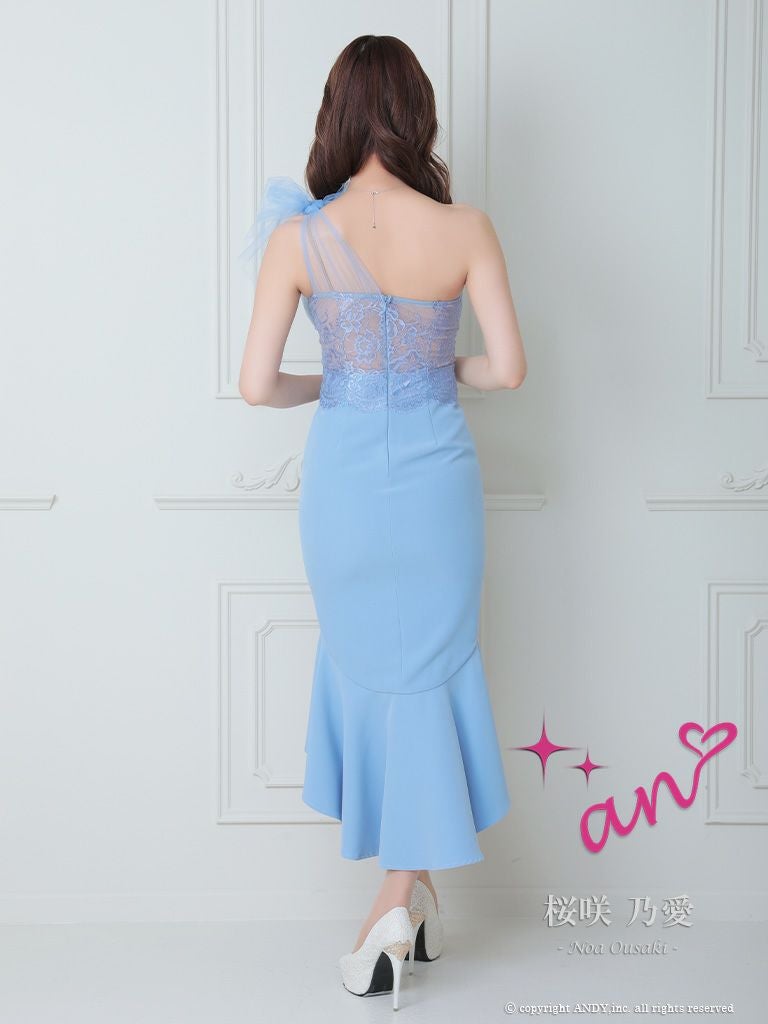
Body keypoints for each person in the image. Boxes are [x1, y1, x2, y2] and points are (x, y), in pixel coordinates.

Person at [238, 34, 526, 1010]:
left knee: (381, 673)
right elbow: (507, 370)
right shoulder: (465, 227)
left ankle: (394, 904)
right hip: (440, 488)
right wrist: (436, 368)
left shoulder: (300, 236)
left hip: (346, 490)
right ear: (416, 113)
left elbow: (256, 385)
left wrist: (340, 381)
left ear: (338, 114)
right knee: (428, 673)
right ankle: (417, 896)